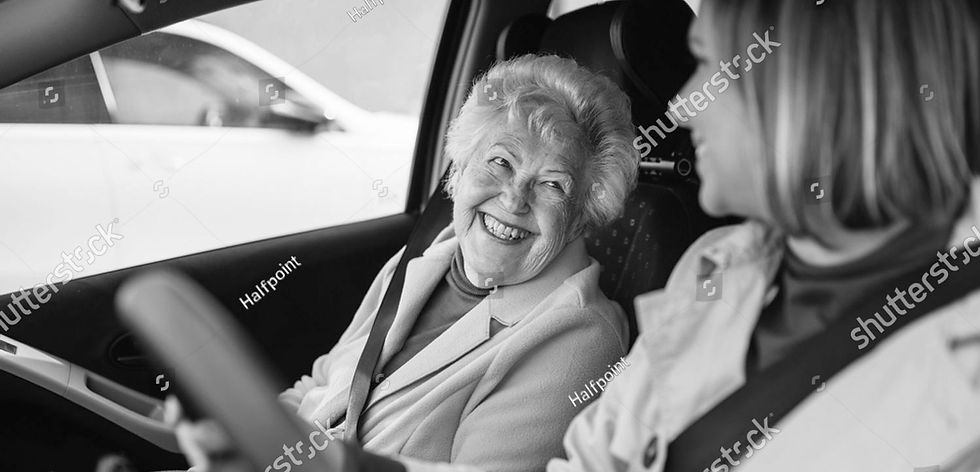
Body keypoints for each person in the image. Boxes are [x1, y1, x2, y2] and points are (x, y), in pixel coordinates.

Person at [169, 53, 639, 472]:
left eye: (552, 185)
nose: (514, 198)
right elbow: (323, 384)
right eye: (500, 162)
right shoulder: (425, 258)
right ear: (459, 168)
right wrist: (244, 442)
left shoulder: (579, 337)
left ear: (581, 219)